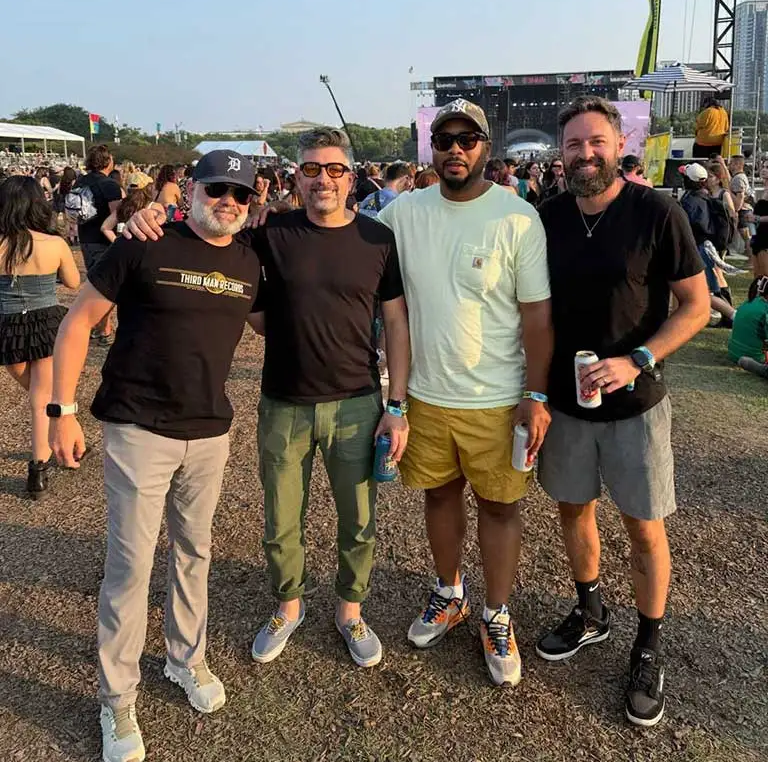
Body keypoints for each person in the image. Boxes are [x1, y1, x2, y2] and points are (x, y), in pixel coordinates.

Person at [123, 129, 411, 672]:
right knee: (281, 519)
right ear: (295, 177)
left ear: (351, 177)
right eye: (311, 169)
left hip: (357, 402)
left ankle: (350, 610)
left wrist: (397, 404)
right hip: (284, 399)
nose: (322, 179)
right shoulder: (269, 230)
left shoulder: (377, 239)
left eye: (333, 169)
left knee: (359, 518)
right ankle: (288, 605)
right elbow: (208, 238)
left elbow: (395, 321)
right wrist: (152, 216)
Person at [48, 150, 260, 762]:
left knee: (195, 552)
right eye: (217, 188)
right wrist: (61, 411)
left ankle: (185, 658)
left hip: (210, 433)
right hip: (138, 428)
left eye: (241, 193)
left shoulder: (250, 261)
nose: (228, 201)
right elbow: (78, 322)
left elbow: (283, 319)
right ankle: (117, 699)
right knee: (131, 565)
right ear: (191, 189)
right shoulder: (145, 243)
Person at [535, 96, 710, 729]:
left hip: (636, 404)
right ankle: (590, 611)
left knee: (644, 527)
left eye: (596, 143)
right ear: (561, 154)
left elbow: (696, 305)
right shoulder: (546, 217)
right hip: (567, 402)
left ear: (618, 146)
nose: (585, 154)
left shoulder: (656, 212)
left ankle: (649, 645)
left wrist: (639, 358)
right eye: (574, 144)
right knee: (573, 510)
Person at [377, 99, 553, 688]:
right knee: (439, 496)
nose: (455, 149)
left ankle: (496, 612)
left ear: (485, 146)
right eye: (444, 139)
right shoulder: (404, 212)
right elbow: (342, 238)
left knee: (501, 507)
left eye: (467, 139)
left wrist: (536, 394)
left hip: (498, 398)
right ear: (431, 147)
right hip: (426, 394)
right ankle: (449, 592)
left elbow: (537, 316)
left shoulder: (517, 216)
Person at [0, 176, 80, 497]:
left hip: (8, 328)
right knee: (43, 397)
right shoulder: (54, 244)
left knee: (39, 394)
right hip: (47, 324)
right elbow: (73, 282)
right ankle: (41, 467)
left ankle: (47, 459)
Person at [67, 144, 123, 345]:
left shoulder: (80, 181)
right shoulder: (109, 185)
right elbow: (118, 215)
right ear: (107, 161)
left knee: (95, 283)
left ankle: (98, 326)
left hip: (86, 238)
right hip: (105, 240)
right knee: (109, 286)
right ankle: (103, 329)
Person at [680, 163, 736, 324]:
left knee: (706, 288)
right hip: (706, 245)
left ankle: (732, 315)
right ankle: (729, 315)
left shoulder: (692, 200)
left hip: (700, 246)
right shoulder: (704, 196)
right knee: (713, 283)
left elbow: (695, 225)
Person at [728, 276, 768, 379]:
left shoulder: (751, 301)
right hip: (755, 356)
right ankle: (763, 369)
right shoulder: (765, 311)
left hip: (734, 353)